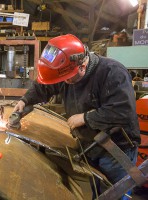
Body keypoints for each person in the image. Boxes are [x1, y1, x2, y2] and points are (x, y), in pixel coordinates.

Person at [13, 34, 141, 199]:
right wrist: (25, 100)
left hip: (117, 150)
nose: (65, 82)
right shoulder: (67, 70)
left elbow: (122, 111)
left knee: (116, 195)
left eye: (68, 79)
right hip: (91, 147)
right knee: (98, 193)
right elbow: (45, 86)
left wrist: (85, 118)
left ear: (82, 65)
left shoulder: (112, 72)